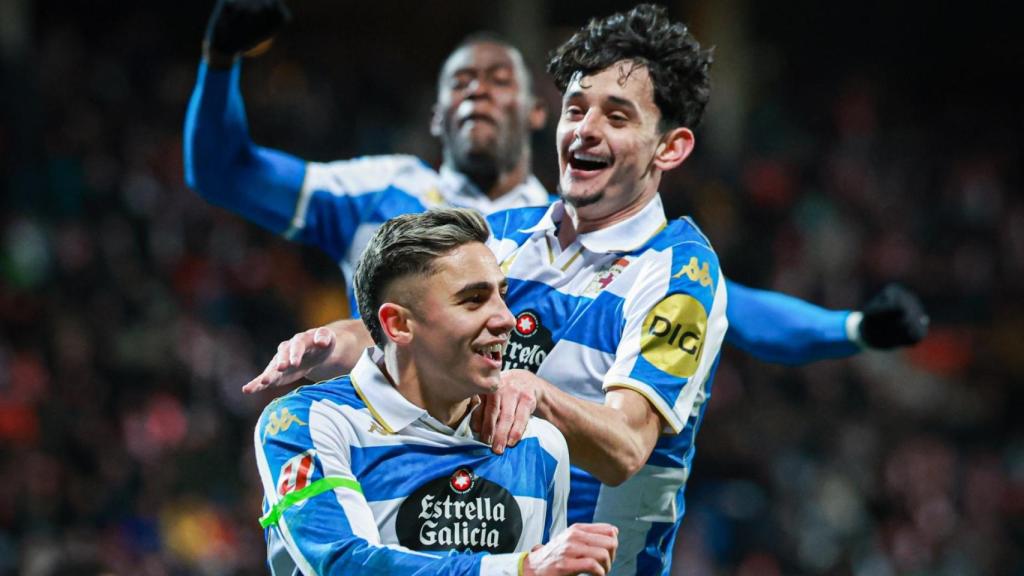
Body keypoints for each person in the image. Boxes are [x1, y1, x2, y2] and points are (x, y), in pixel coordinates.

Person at [183, 0, 929, 382]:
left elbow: (731, 307)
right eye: (460, 83)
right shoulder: (375, 190)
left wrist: (851, 328)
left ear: (541, 110)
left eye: (500, 78)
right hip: (377, 459)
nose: (479, 90)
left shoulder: (562, 231)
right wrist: (220, 62)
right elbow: (225, 172)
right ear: (439, 115)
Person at [266, 6, 732, 574]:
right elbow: (410, 325)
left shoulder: (681, 271)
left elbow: (627, 447)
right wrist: (329, 341)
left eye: (617, 117)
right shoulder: (503, 234)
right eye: (576, 109)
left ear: (670, 148)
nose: (586, 129)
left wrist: (534, 392)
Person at [255, 208, 619, 575]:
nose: (506, 318)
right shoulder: (307, 422)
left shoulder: (537, 443)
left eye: (501, 295)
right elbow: (344, 564)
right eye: (474, 299)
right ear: (398, 324)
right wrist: (521, 568)